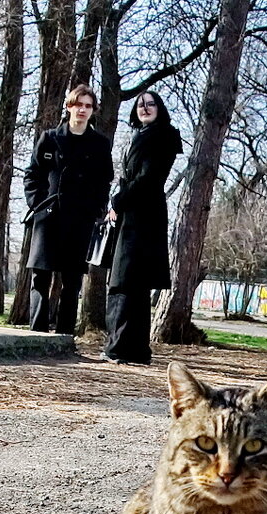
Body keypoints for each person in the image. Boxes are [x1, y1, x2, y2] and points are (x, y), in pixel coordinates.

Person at [24, 85, 114, 335]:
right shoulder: (50, 138)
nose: (82, 110)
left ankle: (64, 336)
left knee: (72, 280)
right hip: (48, 217)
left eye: (88, 106)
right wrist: (38, 203)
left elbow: (104, 180)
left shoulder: (99, 144)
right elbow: (33, 174)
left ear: (92, 110)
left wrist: (95, 209)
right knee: (40, 277)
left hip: (80, 220)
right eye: (78, 105)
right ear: (69, 106)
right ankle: (37, 333)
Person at [101, 91, 182, 365]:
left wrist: (119, 200)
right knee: (129, 282)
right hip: (133, 213)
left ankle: (121, 348)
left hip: (143, 216)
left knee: (127, 281)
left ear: (160, 108)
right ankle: (130, 349)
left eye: (151, 104)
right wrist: (118, 203)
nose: (145, 108)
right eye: (140, 105)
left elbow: (149, 177)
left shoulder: (164, 136)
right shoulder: (140, 135)